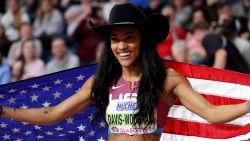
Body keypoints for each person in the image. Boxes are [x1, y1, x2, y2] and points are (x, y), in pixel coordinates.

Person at [1, 3, 250, 141]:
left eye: (129, 38)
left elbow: (213, 113)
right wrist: (4, 111)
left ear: (143, 41)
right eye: (115, 39)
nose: (121, 46)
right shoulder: (101, 81)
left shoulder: (168, 79)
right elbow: (52, 113)